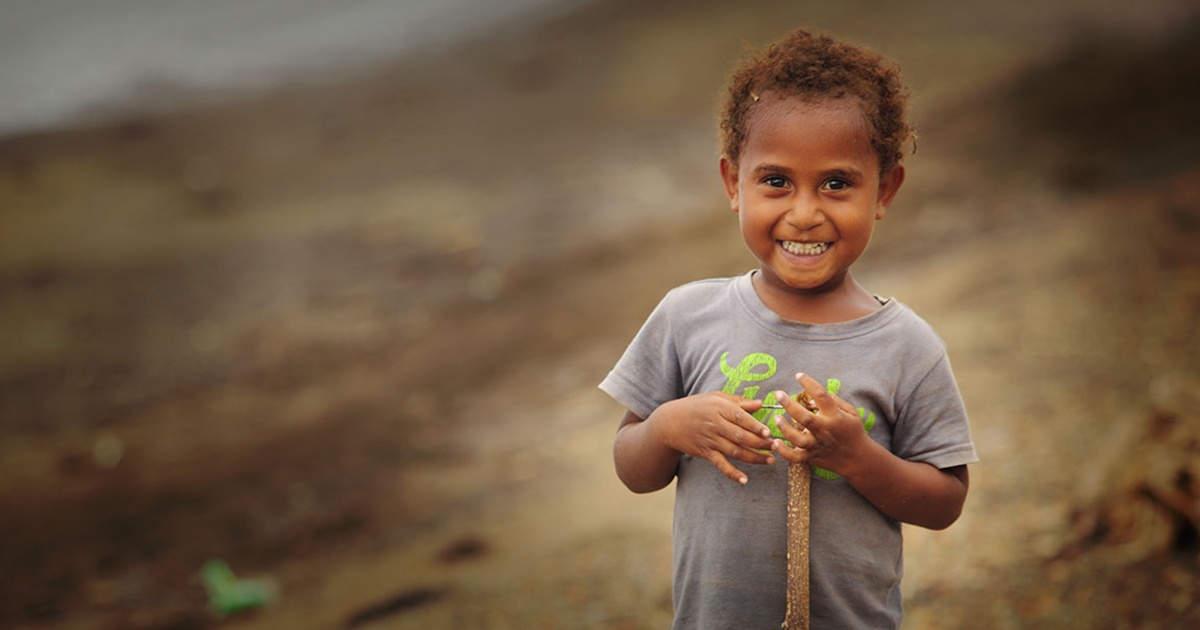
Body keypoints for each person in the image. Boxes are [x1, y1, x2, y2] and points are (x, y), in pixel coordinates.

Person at [598, 28, 978, 629]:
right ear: (732, 184)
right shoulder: (686, 316)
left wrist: (857, 457)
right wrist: (669, 426)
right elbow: (630, 466)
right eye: (776, 181)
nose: (804, 213)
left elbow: (945, 503)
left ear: (885, 190)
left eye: (837, 183)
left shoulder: (910, 347)